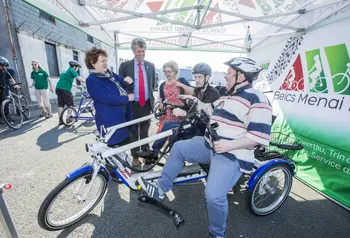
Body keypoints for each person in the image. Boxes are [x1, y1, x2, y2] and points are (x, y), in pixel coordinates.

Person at [137, 57, 272, 238]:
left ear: (241, 77)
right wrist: (193, 99)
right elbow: (208, 108)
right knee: (178, 148)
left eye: (230, 73)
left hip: (231, 154)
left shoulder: (258, 99)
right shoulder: (228, 96)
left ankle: (217, 234)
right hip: (209, 144)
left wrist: (228, 145)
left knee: (214, 196)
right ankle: (161, 188)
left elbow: (259, 136)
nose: (225, 76)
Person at [136, 63, 220, 160]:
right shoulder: (197, 91)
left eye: (199, 77)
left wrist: (185, 112)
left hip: (201, 129)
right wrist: (175, 107)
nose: (196, 80)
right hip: (192, 123)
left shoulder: (213, 93)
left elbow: (209, 114)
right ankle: (159, 153)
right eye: (195, 77)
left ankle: (162, 154)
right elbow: (188, 107)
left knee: (172, 128)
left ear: (208, 77)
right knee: (170, 127)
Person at [118, 38, 157, 167]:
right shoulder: (125, 66)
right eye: (139, 51)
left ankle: (146, 154)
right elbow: (120, 86)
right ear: (133, 51)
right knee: (133, 132)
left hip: (145, 104)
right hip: (132, 105)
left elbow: (152, 86)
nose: (141, 53)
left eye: (143, 51)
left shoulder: (151, 65)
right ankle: (135, 156)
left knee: (145, 131)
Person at [85, 47, 134, 147]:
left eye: (106, 60)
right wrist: (127, 98)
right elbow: (106, 98)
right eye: (102, 61)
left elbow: (122, 81)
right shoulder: (91, 80)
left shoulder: (109, 74)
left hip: (121, 116)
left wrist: (126, 80)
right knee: (113, 149)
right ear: (92, 63)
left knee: (123, 147)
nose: (105, 63)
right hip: (109, 120)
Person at [157, 60, 193, 132]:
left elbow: (193, 93)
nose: (167, 74)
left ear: (175, 71)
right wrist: (160, 107)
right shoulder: (162, 85)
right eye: (165, 71)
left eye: (169, 72)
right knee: (164, 134)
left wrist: (182, 85)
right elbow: (161, 101)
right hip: (167, 115)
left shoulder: (181, 81)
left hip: (179, 113)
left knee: (177, 135)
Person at [55, 60, 85, 125]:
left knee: (60, 104)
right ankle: (69, 118)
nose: (77, 70)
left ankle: (60, 120)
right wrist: (88, 82)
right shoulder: (72, 70)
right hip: (65, 90)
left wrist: (77, 86)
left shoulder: (65, 71)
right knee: (70, 104)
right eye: (77, 68)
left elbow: (67, 81)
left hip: (58, 88)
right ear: (74, 66)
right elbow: (78, 78)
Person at [0, 56, 20, 121]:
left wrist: (15, 84)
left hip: (2, 88)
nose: (4, 67)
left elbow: (10, 77)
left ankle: (7, 117)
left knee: (5, 102)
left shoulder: (3, 70)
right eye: (2, 66)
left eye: (4, 66)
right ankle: (1, 117)